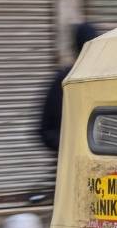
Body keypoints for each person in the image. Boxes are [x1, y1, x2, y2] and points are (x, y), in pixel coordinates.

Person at [40, 22, 99, 152]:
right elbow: (46, 131)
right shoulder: (63, 82)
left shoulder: (103, 81)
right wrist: (72, 147)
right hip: (70, 165)